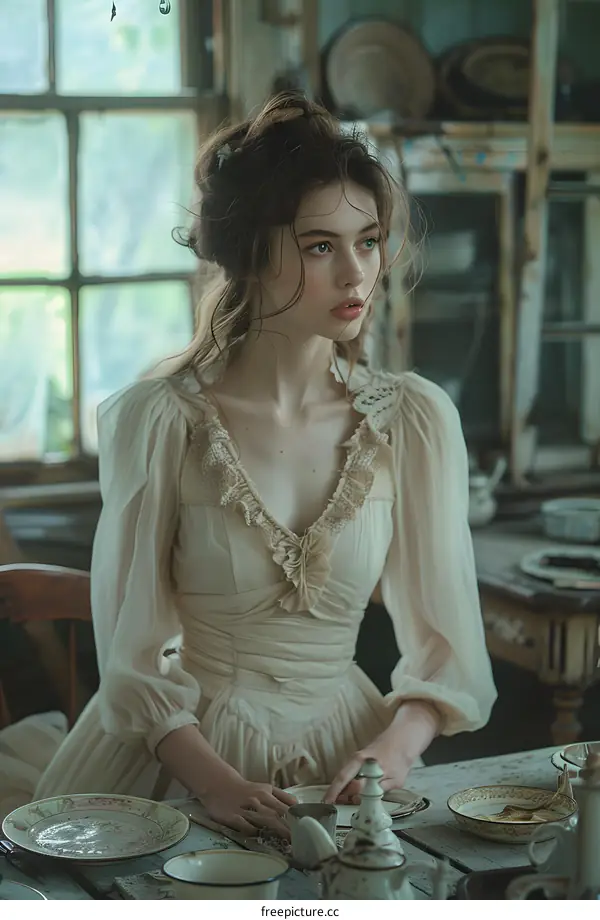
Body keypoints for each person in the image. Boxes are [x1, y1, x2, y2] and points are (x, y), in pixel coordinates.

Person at [0, 92, 496, 835]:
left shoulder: (412, 420)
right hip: (183, 758)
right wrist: (217, 785)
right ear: (249, 253)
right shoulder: (162, 419)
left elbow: (446, 646)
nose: (357, 276)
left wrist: (393, 750)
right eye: (319, 245)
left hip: (348, 762)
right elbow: (134, 655)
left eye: (368, 241)